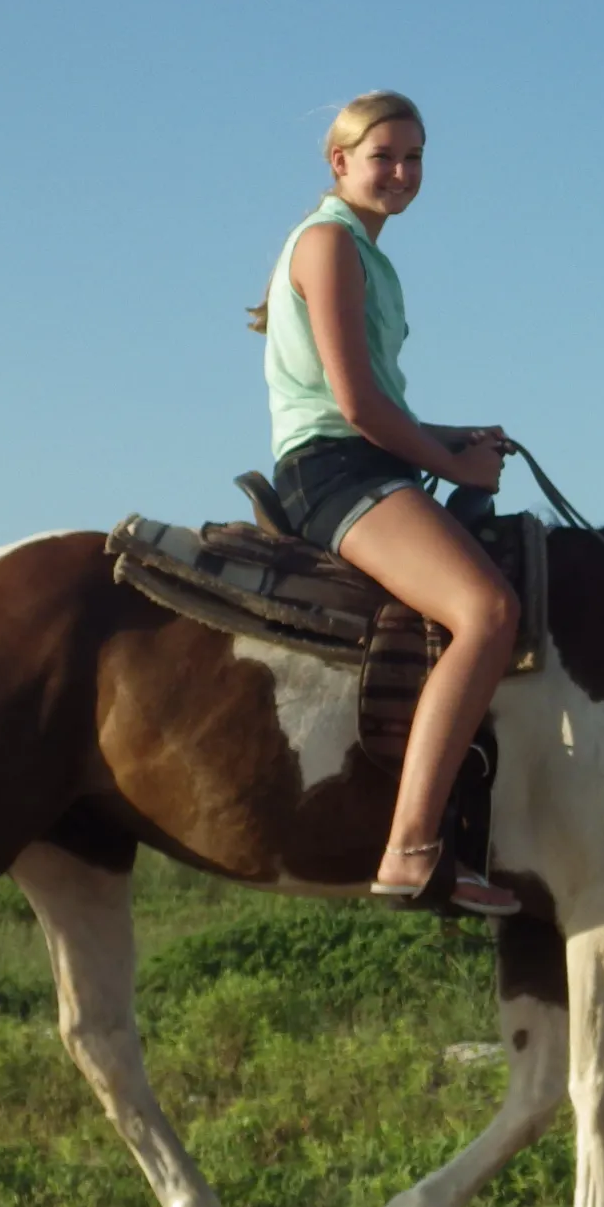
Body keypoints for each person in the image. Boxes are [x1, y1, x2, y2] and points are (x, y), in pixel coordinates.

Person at [248, 91, 521, 918]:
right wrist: (449, 461)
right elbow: (357, 410)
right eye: (385, 157)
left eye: (415, 158)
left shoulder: (366, 252)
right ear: (341, 163)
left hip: (357, 455)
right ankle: (410, 848)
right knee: (487, 611)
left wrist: (454, 438)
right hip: (334, 471)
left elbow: (373, 406)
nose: (402, 173)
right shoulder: (330, 243)